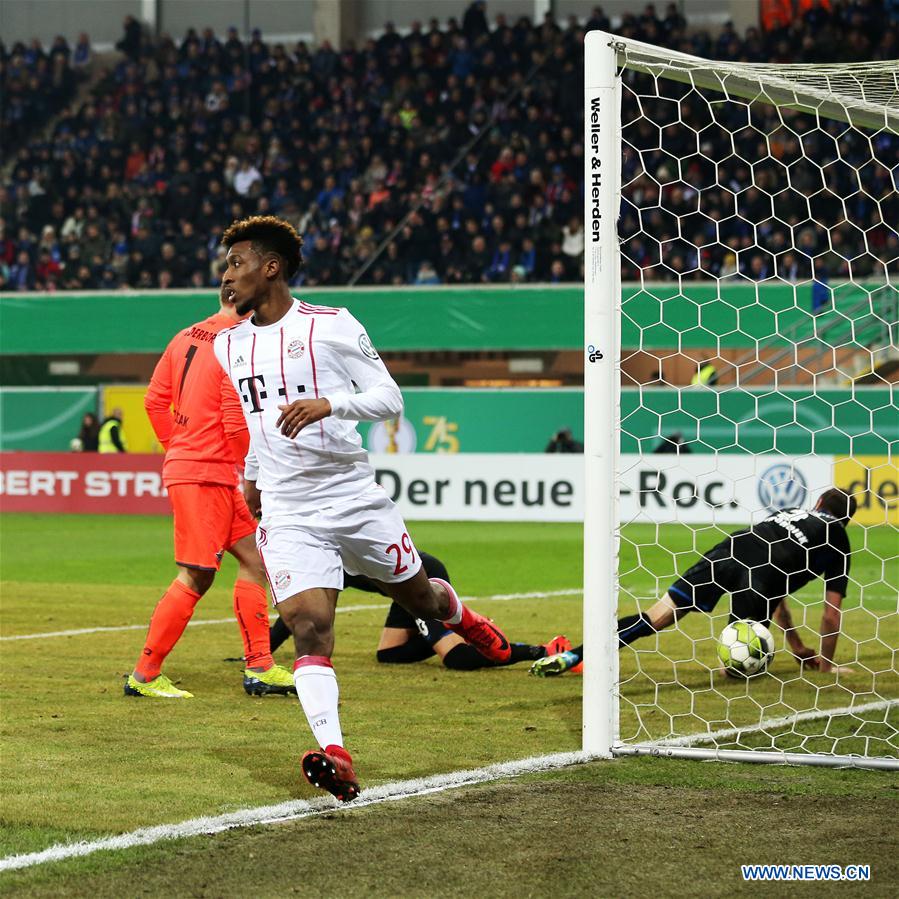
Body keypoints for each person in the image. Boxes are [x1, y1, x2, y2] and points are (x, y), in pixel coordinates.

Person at [214, 215, 512, 802]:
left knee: (421, 598)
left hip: (352, 498)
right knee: (308, 626)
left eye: (236, 263)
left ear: (270, 267)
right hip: (288, 507)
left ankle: (464, 617)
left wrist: (329, 405)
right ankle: (336, 753)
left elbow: (388, 397)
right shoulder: (229, 343)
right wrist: (251, 480)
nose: (226, 276)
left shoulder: (331, 326)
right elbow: (254, 421)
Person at [125, 285, 295, 699]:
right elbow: (236, 422)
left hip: (200, 468)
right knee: (197, 575)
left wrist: (180, 448)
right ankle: (144, 676)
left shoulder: (185, 335)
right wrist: (250, 471)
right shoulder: (237, 344)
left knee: (255, 557)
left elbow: (153, 401)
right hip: (208, 474)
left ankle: (260, 666)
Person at [531, 488, 857, 677]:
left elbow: (778, 588)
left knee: (655, 617)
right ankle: (731, 669)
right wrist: (826, 666)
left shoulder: (790, 511)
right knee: (738, 667)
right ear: (847, 520)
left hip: (728, 550)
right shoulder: (839, 539)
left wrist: (796, 646)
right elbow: (830, 614)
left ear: (817, 504)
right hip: (760, 577)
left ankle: (573, 657)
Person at [265, 550, 570, 670]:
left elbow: (299, 613)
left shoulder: (323, 555)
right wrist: (262, 652)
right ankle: (458, 629)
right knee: (388, 655)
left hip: (419, 583)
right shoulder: (324, 556)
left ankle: (541, 651)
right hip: (396, 590)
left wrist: (261, 654)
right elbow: (301, 613)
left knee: (456, 658)